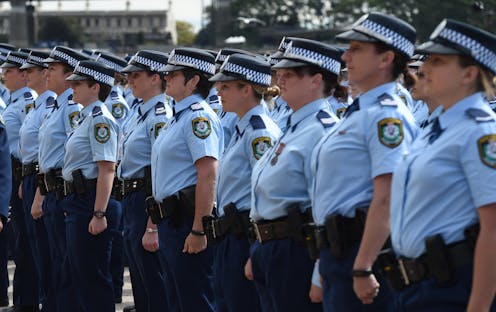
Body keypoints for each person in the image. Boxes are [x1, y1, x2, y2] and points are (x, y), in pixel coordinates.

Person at [384, 19, 496, 311]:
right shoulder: (438, 128)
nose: (423, 69)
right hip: (416, 284)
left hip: (452, 286)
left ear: (469, 73)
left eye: (438, 61)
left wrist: (479, 306)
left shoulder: (481, 132)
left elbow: (493, 227)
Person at [311, 12, 419, 311]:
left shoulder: (386, 115)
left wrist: (363, 266)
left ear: (385, 58)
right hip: (340, 251)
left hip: (365, 253)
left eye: (357, 48)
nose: (346, 55)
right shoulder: (361, 111)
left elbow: (388, 196)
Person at [247, 37, 341, 311]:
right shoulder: (294, 123)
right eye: (280, 73)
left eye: (290, 74)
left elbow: (325, 207)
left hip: (298, 249)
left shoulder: (322, 130)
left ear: (316, 80)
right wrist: (258, 249)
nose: (280, 79)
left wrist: (319, 273)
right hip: (272, 247)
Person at [207, 53, 281, 312]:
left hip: (245, 237)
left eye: (226, 86)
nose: (218, 90)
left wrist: (255, 248)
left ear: (246, 89)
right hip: (230, 235)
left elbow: (266, 191)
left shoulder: (260, 133)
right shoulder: (243, 129)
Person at [151, 47, 222, 311]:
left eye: (174, 74)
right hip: (170, 221)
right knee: (177, 298)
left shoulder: (198, 117)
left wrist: (198, 228)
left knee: (195, 299)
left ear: (193, 81)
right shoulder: (178, 116)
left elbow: (208, 173)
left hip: (186, 222)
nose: (166, 77)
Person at [61, 60, 121, 312]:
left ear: (95, 87)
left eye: (78, 84)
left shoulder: (100, 120)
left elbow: (107, 168)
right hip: (79, 200)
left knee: (92, 277)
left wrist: (99, 213)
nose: (72, 88)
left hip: (92, 202)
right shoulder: (86, 117)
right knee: (77, 275)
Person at [118, 49, 172, 312]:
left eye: (137, 75)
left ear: (156, 78)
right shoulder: (138, 111)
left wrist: (153, 223)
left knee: (152, 276)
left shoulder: (160, 114)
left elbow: (158, 169)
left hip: (145, 199)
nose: (131, 80)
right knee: (139, 275)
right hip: (130, 197)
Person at [39, 46, 88, 311]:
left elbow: (73, 153)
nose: (46, 73)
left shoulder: (71, 107)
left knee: (68, 263)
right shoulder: (56, 105)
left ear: (69, 74)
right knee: (56, 259)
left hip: (64, 191)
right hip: (50, 190)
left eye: (52, 69)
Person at [18, 49, 57, 312]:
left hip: (44, 180)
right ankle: (46, 299)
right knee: (34, 247)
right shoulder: (38, 105)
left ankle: (51, 302)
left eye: (30, 70)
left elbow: (51, 153)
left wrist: (40, 190)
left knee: (46, 250)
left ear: (45, 74)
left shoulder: (52, 106)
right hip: (31, 176)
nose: (25, 74)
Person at [1, 50, 39, 312]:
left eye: (9, 70)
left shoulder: (27, 102)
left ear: (23, 75)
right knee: (21, 242)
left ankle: (28, 300)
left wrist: (24, 178)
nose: (4, 74)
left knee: (26, 243)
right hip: (16, 173)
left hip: (22, 174)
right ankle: (23, 300)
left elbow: (34, 145)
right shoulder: (15, 102)